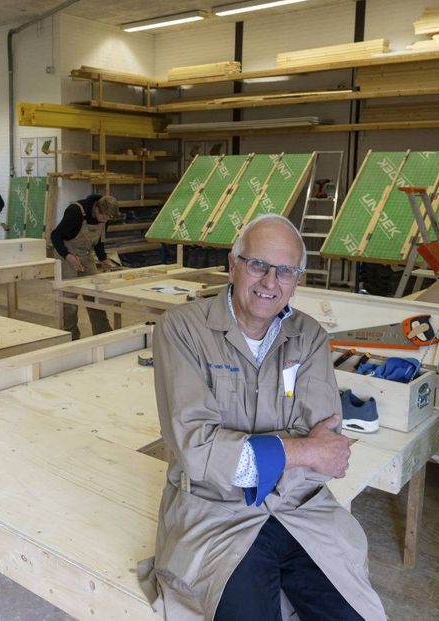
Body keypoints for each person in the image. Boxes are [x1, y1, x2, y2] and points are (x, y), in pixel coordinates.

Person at [139, 214, 386, 621]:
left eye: (286, 271)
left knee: (354, 613)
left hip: (298, 509)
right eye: (258, 265)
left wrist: (255, 454)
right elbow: (197, 452)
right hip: (214, 513)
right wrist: (301, 449)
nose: (271, 282)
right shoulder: (181, 330)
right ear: (233, 264)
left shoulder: (310, 337)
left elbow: (327, 453)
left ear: (298, 280)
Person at [50, 193, 120, 340]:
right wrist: (68, 256)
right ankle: (71, 337)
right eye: (104, 217)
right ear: (97, 209)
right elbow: (55, 236)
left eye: (108, 219)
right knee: (70, 299)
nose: (105, 221)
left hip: (86, 253)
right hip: (66, 253)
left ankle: (103, 333)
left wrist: (103, 259)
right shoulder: (75, 212)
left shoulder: (105, 218)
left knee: (95, 294)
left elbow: (99, 242)